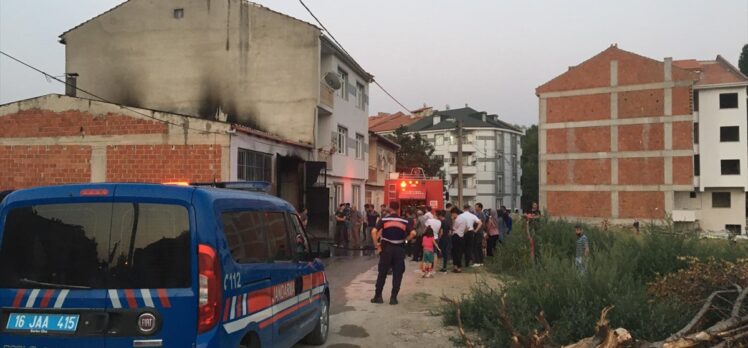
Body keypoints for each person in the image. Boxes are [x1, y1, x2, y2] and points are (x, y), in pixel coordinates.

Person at [371, 201, 416, 305]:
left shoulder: (384, 219)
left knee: (382, 273)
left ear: (390, 208)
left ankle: (378, 297)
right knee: (397, 274)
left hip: (386, 249)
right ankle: (393, 298)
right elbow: (413, 233)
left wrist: (376, 244)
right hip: (399, 250)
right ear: (398, 208)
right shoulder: (404, 221)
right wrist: (405, 240)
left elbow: (373, 231)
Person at [451, 207, 481, 273]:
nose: (452, 216)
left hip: (456, 236)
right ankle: (461, 266)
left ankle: (456, 267)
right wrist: (463, 232)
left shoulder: (457, 219)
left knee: (455, 252)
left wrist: (453, 220)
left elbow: (454, 228)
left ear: (454, 213)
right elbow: (467, 228)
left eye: (452, 214)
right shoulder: (464, 219)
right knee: (462, 251)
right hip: (462, 236)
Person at [472, 203, 487, 267]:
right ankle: (481, 261)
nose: (475, 208)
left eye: (476, 207)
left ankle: (477, 261)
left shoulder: (480, 214)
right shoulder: (478, 214)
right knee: (479, 247)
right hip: (479, 232)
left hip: (478, 232)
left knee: (476, 246)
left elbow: (478, 222)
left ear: (480, 208)